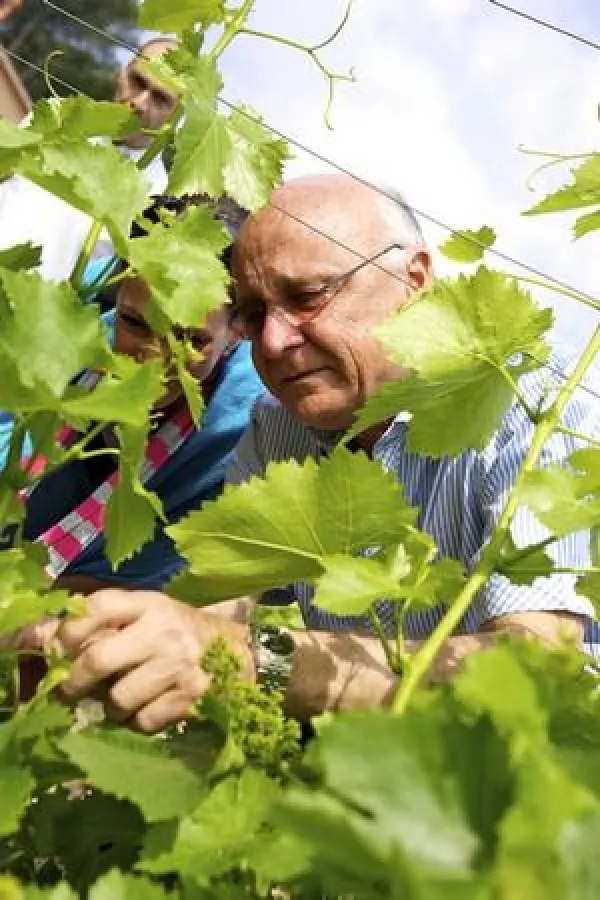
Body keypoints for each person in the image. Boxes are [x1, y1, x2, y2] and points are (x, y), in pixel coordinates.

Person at [28, 174, 600, 733]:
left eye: (307, 296)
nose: (274, 343)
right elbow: (218, 608)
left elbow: (533, 670)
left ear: (416, 278)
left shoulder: (539, 407)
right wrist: (95, 633)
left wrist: (257, 660)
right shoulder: (277, 432)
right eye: (253, 315)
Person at [1, 194, 265, 594]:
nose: (151, 362)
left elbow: (141, 582)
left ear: (237, 332)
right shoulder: (70, 331)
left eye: (191, 341)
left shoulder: (240, 434)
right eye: (134, 323)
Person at [0, 37, 179, 281]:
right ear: (122, 74)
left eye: (160, 98)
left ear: (177, 116)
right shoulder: (57, 115)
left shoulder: (158, 198)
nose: (139, 102)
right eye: (138, 82)